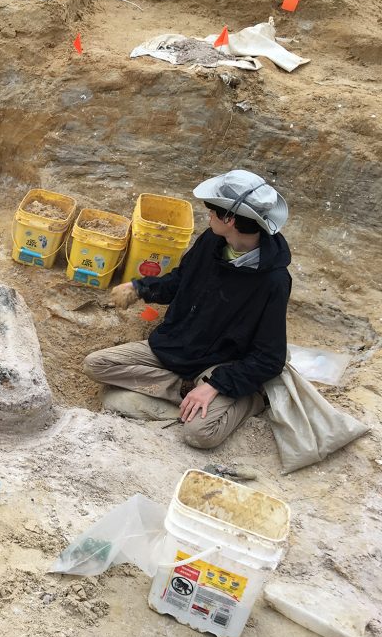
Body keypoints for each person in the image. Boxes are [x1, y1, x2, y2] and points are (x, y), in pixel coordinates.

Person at [83, 170, 291, 449]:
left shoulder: (273, 281)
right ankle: (183, 390)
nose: (209, 217)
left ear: (229, 219)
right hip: (178, 348)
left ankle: (249, 399)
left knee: (200, 434)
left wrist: (215, 385)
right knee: (95, 364)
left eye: (212, 212)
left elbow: (270, 357)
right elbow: (181, 280)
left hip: (220, 365)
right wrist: (140, 288)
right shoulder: (212, 241)